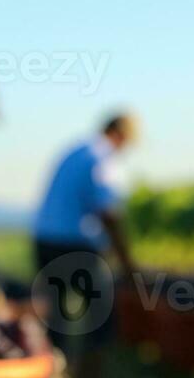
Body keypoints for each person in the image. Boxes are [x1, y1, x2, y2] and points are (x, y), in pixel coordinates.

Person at [32, 113, 137, 277]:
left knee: (51, 301)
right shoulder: (103, 157)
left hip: (44, 240)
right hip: (74, 245)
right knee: (102, 301)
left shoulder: (77, 150)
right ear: (121, 136)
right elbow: (108, 213)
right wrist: (127, 263)